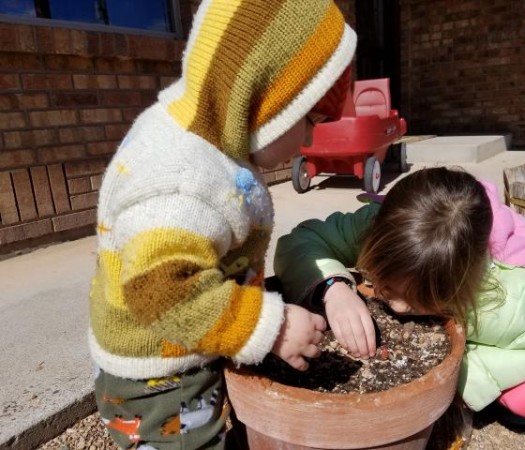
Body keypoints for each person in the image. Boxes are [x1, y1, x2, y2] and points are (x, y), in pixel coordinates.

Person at [89, 1, 357, 448]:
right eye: (309, 120)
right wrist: (267, 328)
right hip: (163, 377)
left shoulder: (208, 132)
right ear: (264, 99)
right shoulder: (180, 181)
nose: (311, 140)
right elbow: (163, 290)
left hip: (187, 343)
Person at [274, 166, 525, 425]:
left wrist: (462, 376)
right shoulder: (375, 227)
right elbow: (301, 241)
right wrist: (334, 288)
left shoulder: (504, 298)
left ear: (461, 285)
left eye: (418, 298)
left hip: (516, 321)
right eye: (388, 285)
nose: (396, 306)